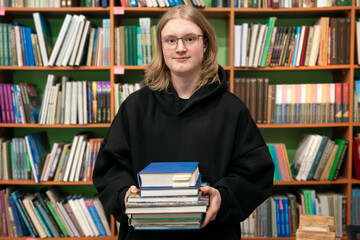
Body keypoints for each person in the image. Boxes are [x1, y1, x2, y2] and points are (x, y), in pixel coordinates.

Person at [93, 5, 274, 240]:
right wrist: (124, 194)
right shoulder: (135, 106)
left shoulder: (231, 109)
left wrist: (222, 196)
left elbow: (255, 174)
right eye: (170, 40)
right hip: (145, 235)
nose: (180, 48)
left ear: (205, 43)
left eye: (190, 39)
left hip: (211, 234)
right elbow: (110, 168)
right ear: (161, 47)